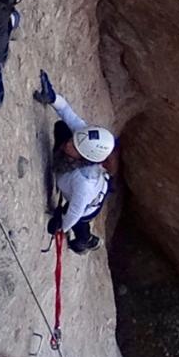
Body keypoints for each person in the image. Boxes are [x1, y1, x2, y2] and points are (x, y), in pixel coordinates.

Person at [32, 70, 116, 254]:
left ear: (85, 158)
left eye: (74, 146)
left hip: (88, 205)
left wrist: (61, 225)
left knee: (80, 223)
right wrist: (53, 98)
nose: (69, 143)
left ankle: (85, 241)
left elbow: (75, 213)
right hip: (90, 189)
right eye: (73, 141)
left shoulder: (83, 184)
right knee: (62, 127)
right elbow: (68, 115)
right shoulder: (85, 141)